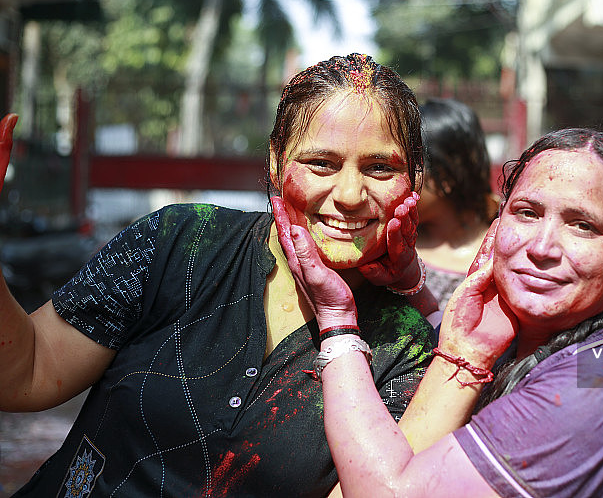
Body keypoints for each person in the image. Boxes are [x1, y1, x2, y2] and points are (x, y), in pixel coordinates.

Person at [0, 53, 437, 497]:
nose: (349, 194)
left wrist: (339, 320)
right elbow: (24, 374)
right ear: (275, 159)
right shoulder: (178, 240)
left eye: (380, 167)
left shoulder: (407, 348)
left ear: (416, 178)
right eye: (321, 163)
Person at [275, 127, 603, 497]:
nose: (542, 247)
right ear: (498, 223)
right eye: (527, 213)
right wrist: (413, 289)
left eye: (582, 226)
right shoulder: (562, 350)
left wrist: (337, 321)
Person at [416, 98, 500, 314]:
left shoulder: (501, 253)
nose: (392, 181)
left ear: (445, 176)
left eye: (405, 167)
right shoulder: (393, 247)